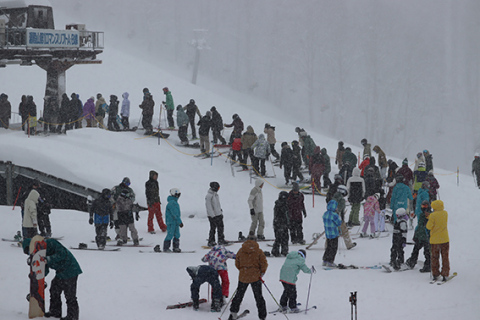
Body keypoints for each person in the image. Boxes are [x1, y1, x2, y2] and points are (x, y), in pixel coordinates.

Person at [23, 238, 82, 320]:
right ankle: (55, 312)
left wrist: (48, 259)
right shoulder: (40, 253)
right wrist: (36, 276)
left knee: (70, 295)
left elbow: (62, 254)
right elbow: (44, 269)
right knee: (54, 290)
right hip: (60, 272)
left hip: (71, 269)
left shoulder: (51, 243)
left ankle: (72, 316)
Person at [228, 232, 268, 320]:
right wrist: (261, 272)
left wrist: (243, 270)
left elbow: (237, 263)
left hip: (243, 276)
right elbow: (264, 263)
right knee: (258, 297)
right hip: (255, 277)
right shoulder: (258, 251)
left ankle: (233, 313)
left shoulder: (241, 250)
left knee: (239, 295)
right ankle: (262, 316)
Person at [426, 200, 450, 282]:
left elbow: (429, 227)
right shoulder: (445, 213)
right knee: (445, 257)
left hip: (435, 240)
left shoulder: (432, 215)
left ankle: (435, 273)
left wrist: (429, 218)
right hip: (445, 239)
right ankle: (445, 273)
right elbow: (439, 219)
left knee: (435, 257)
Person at [406, 200, 431, 272]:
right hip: (420, 236)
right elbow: (419, 226)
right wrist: (416, 235)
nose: (424, 208)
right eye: (423, 206)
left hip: (426, 237)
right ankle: (412, 262)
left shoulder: (431, 215)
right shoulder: (421, 215)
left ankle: (428, 265)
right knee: (415, 250)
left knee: (427, 252)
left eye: (426, 206)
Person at [333, 185, 357, 249]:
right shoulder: (341, 200)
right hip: (338, 218)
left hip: (331, 217)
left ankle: (327, 246)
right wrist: (342, 219)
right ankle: (349, 244)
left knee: (331, 231)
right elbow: (340, 210)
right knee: (345, 231)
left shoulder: (333, 197)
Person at [206, 181, 227, 246]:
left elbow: (217, 204)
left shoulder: (215, 195)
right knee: (213, 228)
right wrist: (212, 216)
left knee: (221, 227)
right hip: (213, 216)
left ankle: (221, 239)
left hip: (218, 214)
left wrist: (220, 211)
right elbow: (209, 207)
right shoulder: (209, 196)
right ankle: (211, 241)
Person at [322, 200, 342, 267]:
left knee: (328, 247)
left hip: (328, 234)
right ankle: (330, 261)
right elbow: (339, 223)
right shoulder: (334, 215)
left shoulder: (325, 214)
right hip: (334, 234)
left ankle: (325, 260)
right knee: (333, 248)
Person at [163, 188, 183, 252]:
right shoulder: (172, 203)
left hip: (175, 222)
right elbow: (175, 214)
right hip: (171, 222)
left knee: (177, 234)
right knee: (170, 234)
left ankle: (176, 247)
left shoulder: (174, 202)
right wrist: (180, 222)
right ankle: (166, 247)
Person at [271, 191, 290, 257]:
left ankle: (278, 251)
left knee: (279, 238)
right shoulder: (282, 205)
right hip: (281, 223)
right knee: (283, 238)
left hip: (278, 223)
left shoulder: (278, 204)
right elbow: (285, 214)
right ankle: (282, 251)